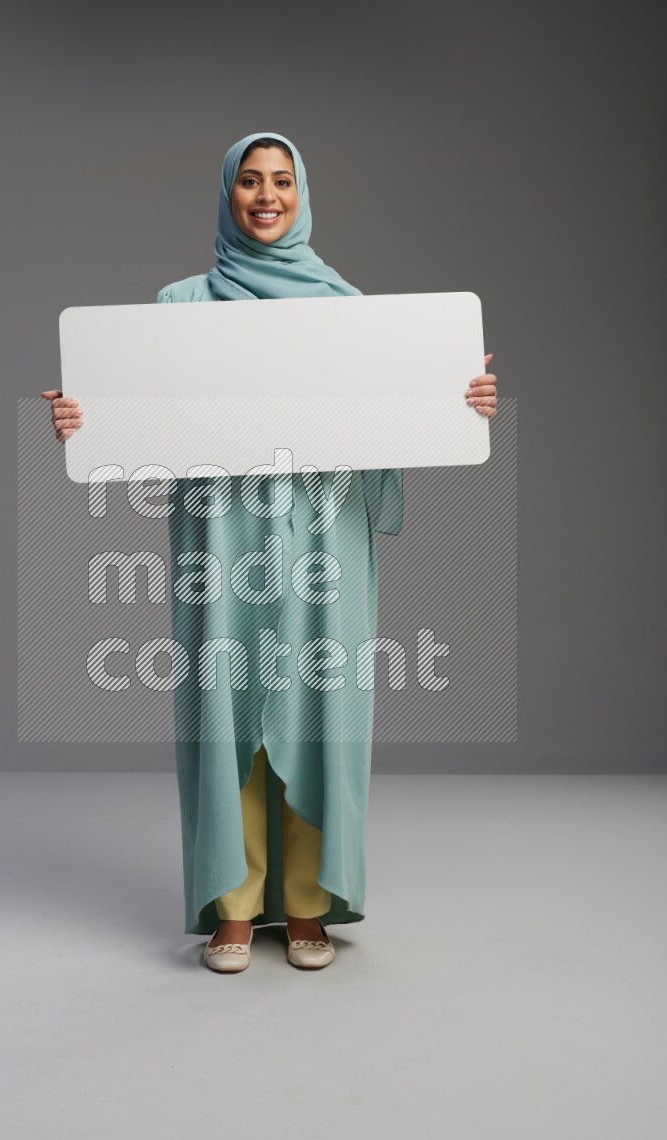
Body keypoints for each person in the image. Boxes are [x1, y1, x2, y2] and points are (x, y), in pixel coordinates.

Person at [41, 131, 498, 974]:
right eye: (249, 180)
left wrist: (457, 399)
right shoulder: (180, 306)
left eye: (281, 181)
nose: (265, 195)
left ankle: (308, 901)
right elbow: (141, 422)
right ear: (227, 193)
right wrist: (84, 419)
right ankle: (235, 904)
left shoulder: (350, 306)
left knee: (320, 704)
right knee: (228, 706)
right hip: (222, 536)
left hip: (325, 527)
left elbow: (392, 422)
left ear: (302, 193)